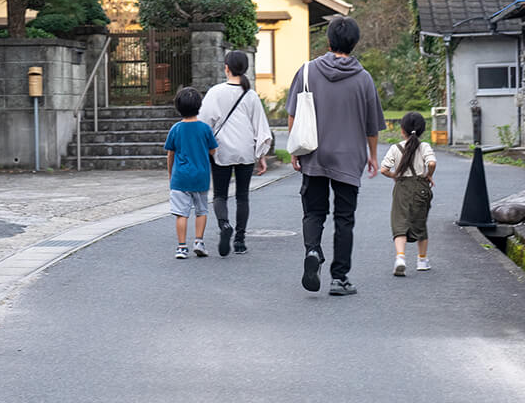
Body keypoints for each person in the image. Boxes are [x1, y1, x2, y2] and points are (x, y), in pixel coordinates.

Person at [286, 16, 385, 296]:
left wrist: (295, 150)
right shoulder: (364, 79)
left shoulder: (307, 71)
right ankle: (339, 279)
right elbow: (372, 126)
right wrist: (373, 155)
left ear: (329, 41)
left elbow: (293, 114)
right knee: (344, 219)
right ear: (354, 43)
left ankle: (313, 251)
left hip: (314, 153)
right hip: (349, 158)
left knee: (314, 212)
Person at [200, 51, 273, 256]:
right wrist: (261, 155)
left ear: (226, 68)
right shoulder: (251, 95)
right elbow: (260, 128)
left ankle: (224, 225)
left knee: (220, 195)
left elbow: (204, 123)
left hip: (220, 149)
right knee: (242, 197)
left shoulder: (215, 92)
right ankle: (240, 241)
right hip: (245, 150)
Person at [379, 111, 436, 276]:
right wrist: (429, 175)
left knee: (399, 223)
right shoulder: (424, 147)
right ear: (422, 130)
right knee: (420, 222)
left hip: (402, 187)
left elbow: (383, 169)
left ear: (402, 130)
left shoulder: (395, 148)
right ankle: (422, 260)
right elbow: (431, 163)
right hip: (421, 187)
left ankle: (400, 257)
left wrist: (394, 176)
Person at [164, 87, 218, 259]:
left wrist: (171, 174)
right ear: (199, 106)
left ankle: (181, 247)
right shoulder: (205, 128)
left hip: (180, 177)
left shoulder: (176, 129)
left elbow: (170, 154)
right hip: (201, 176)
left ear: (178, 107)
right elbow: (213, 151)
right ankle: (199, 242)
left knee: (181, 213)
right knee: (201, 211)